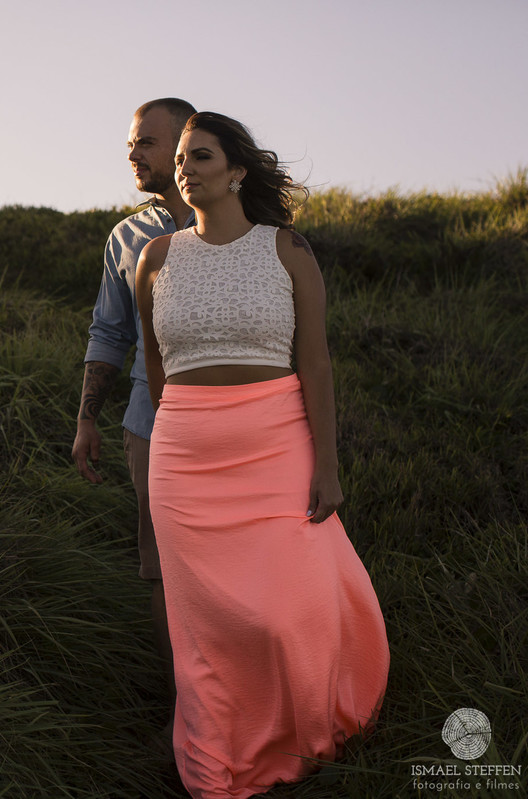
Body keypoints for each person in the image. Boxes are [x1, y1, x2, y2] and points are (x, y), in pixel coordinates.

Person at [135, 111, 389, 797]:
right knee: (208, 629)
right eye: (182, 158)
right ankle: (215, 750)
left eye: (203, 156)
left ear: (238, 171)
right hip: (185, 461)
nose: (186, 168)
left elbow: (317, 365)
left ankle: (306, 726)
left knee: (281, 611)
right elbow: (158, 373)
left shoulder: (286, 249)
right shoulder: (154, 260)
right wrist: (187, 434)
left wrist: (327, 465)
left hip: (277, 443)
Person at [71, 97, 196, 723]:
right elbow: (109, 332)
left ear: (183, 146)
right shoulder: (127, 237)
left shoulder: (249, 227)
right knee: (161, 569)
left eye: (146, 142)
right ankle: (189, 707)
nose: (132, 152)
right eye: (131, 142)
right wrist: (87, 417)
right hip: (151, 427)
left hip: (240, 426)